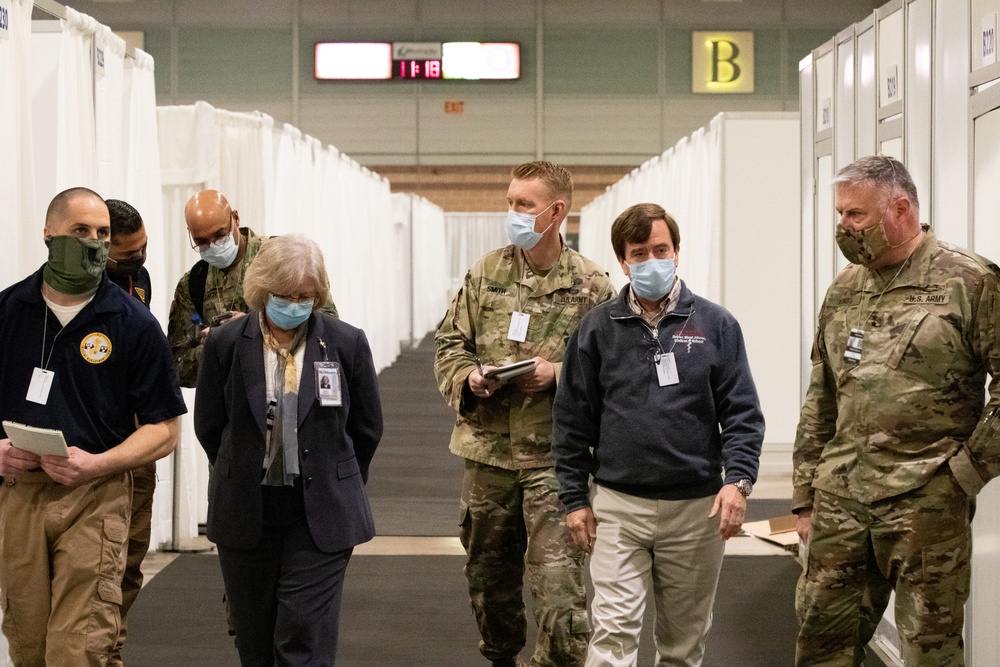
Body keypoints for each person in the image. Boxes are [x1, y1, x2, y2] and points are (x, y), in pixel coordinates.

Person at [794, 155, 1000, 666]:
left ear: (901, 209)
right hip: (841, 496)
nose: (843, 227)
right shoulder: (845, 288)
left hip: (926, 498)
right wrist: (805, 492)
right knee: (822, 645)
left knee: (928, 650)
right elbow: (822, 392)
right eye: (840, 214)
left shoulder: (969, 282)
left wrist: (965, 473)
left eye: (855, 215)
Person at [552, 203, 765, 667]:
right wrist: (574, 499)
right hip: (617, 509)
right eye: (640, 253)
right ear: (623, 262)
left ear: (677, 252)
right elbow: (571, 422)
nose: (653, 260)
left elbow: (743, 414)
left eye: (661, 249)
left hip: (696, 510)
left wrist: (738, 482)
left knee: (683, 643)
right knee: (611, 635)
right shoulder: (595, 329)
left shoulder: (715, 325)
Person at [434, 161, 615, 667]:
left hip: (556, 461)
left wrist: (557, 374)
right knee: (490, 586)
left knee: (560, 592)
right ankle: (500, 658)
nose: (512, 212)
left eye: (524, 204)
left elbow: (615, 371)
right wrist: (469, 378)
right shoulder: (485, 273)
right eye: (510, 201)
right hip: (488, 458)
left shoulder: (592, 286)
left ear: (556, 211)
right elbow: (450, 343)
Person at [0, 187, 186, 667]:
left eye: (102, 234)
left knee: (79, 648)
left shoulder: (133, 324)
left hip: (96, 495)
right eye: (79, 231)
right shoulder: (8, 312)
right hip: (18, 495)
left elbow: (165, 430)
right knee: (29, 647)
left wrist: (99, 463)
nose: (94, 243)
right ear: (48, 234)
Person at [194, 234, 383, 666]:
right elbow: (210, 424)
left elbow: (367, 427)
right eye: (285, 296)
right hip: (246, 507)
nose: (295, 305)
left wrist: (339, 476)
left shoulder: (345, 342)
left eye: (305, 296)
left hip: (321, 509)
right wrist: (236, 468)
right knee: (254, 640)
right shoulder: (225, 343)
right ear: (263, 291)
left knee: (301, 636)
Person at [167, 190, 338, 388]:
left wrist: (253, 327)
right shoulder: (193, 284)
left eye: (220, 235)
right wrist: (216, 345)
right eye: (201, 242)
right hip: (232, 402)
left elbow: (329, 324)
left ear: (236, 219)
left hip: (294, 387)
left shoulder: (280, 257)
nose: (213, 245)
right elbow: (177, 367)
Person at [103, 198, 158, 667]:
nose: (139, 259)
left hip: (137, 436)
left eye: (144, 247)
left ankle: (111, 647)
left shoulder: (139, 280)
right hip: (94, 436)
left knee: (130, 554)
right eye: (128, 254)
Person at [105, 198, 152, 308]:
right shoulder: (87, 285)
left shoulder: (142, 276)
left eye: (144, 246)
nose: (140, 255)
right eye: (131, 254)